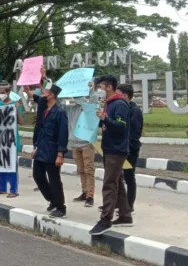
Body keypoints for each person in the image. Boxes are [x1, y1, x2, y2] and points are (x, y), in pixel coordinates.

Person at [89, 75, 133, 236]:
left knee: (109, 184)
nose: (98, 90)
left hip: (117, 149)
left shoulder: (119, 103)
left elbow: (121, 126)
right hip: (109, 147)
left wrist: (105, 118)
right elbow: (107, 123)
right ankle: (125, 216)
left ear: (108, 87)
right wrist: (99, 118)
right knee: (118, 183)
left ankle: (105, 220)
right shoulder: (107, 103)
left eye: (100, 87)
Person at [31, 83, 68, 219]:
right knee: (38, 176)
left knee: (54, 179)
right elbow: (39, 130)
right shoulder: (43, 111)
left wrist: (60, 154)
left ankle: (60, 207)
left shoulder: (60, 113)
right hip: (41, 149)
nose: (41, 96)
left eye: (44, 93)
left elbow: (63, 134)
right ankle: (52, 198)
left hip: (52, 151)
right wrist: (35, 147)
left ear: (51, 95)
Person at [61, 86, 97, 208]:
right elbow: (58, 103)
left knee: (89, 169)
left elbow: (93, 100)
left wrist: (89, 90)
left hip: (86, 143)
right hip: (74, 144)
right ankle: (84, 191)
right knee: (81, 170)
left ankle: (90, 195)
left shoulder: (88, 107)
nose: (75, 98)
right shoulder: (70, 109)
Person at [0, 81, 25, 198]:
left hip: (11, 141)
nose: (1, 94)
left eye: (3, 92)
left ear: (8, 92)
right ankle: (2, 188)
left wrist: (17, 110)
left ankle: (14, 190)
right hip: (0, 140)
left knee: (11, 165)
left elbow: (21, 122)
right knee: (1, 164)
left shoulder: (15, 105)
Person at [116, 84, 143, 213]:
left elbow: (134, 133)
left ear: (125, 96)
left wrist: (127, 148)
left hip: (130, 150)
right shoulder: (122, 108)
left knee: (129, 177)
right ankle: (119, 202)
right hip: (119, 148)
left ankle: (129, 204)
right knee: (117, 177)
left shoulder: (135, 111)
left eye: (118, 94)